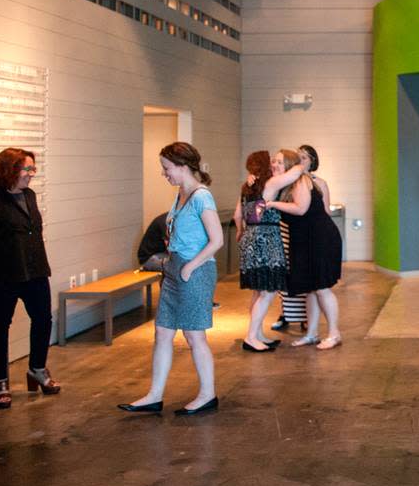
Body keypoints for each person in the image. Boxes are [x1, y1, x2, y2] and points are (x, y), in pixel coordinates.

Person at [120, 142, 223, 415]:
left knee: (193, 335)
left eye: (167, 168)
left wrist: (190, 267)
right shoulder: (180, 194)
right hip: (174, 268)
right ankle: (154, 395)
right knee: (163, 332)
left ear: (182, 166)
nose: (164, 173)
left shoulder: (202, 196)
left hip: (195, 271)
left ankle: (207, 394)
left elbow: (217, 240)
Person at [0, 147, 60, 409]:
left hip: (35, 270)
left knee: (43, 318)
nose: (31, 174)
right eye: (26, 169)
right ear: (9, 170)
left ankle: (37, 369)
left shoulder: (28, 195)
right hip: (2, 276)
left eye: (33, 169)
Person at [265, 150, 343, 350]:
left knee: (323, 288)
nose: (275, 165)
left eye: (280, 162)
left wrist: (272, 204)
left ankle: (334, 333)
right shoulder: (288, 184)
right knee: (311, 289)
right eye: (273, 161)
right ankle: (312, 333)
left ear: (290, 165)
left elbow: (301, 208)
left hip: (319, 239)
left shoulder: (300, 181)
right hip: (304, 240)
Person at [233, 151, 289, 352]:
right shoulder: (269, 185)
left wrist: (240, 232)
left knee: (259, 290)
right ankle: (251, 337)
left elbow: (237, 215)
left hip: (250, 236)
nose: (274, 165)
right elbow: (293, 175)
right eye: (271, 162)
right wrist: (301, 164)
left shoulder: (246, 187)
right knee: (268, 290)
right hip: (266, 239)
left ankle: (257, 334)